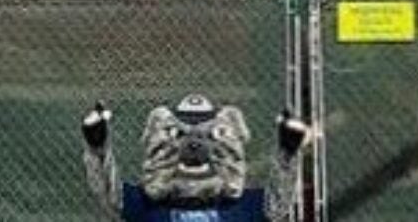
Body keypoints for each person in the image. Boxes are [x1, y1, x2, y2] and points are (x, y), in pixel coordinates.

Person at [80, 94, 311, 222]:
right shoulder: (147, 204)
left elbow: (279, 203)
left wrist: (287, 153)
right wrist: (97, 147)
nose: (194, 145)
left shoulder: (242, 205)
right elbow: (109, 195)